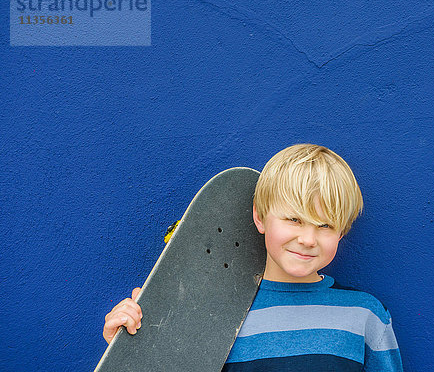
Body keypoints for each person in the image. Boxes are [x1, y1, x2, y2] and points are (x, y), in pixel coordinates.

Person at [102, 144, 403, 371]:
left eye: (325, 226)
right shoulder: (207, 314)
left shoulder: (365, 315)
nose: (308, 239)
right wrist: (129, 351)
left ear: (342, 231)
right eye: (294, 220)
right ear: (259, 217)